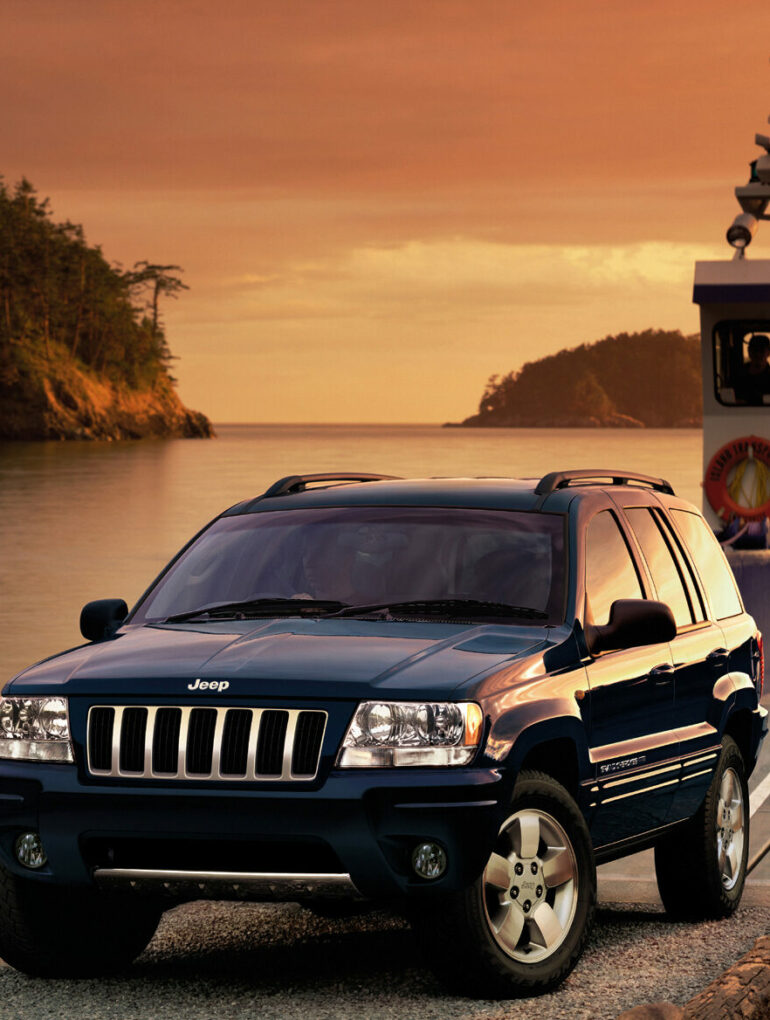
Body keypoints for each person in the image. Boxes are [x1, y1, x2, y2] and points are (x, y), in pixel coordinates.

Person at [734, 334, 770, 405]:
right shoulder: (738, 374)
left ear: (768, 352)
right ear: (749, 351)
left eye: (761, 351)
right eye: (754, 350)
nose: (758, 354)